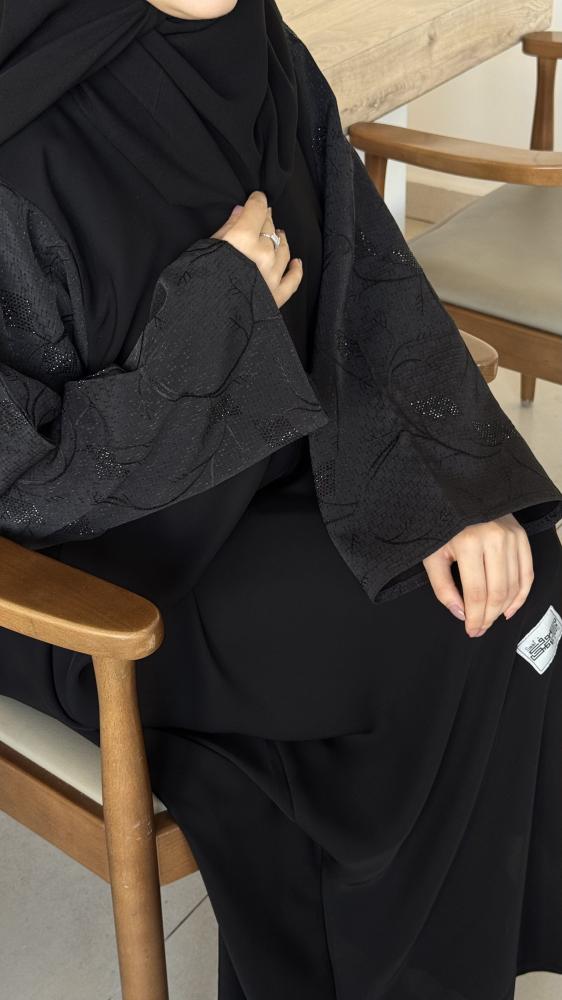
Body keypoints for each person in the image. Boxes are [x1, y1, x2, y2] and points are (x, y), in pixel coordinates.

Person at [0, 1, 561, 997]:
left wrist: (453, 486)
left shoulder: (263, 46)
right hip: (102, 582)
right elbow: (27, 490)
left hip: (265, 487)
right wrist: (217, 314)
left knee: (524, 574)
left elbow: (368, 282)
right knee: (439, 629)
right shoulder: (25, 109)